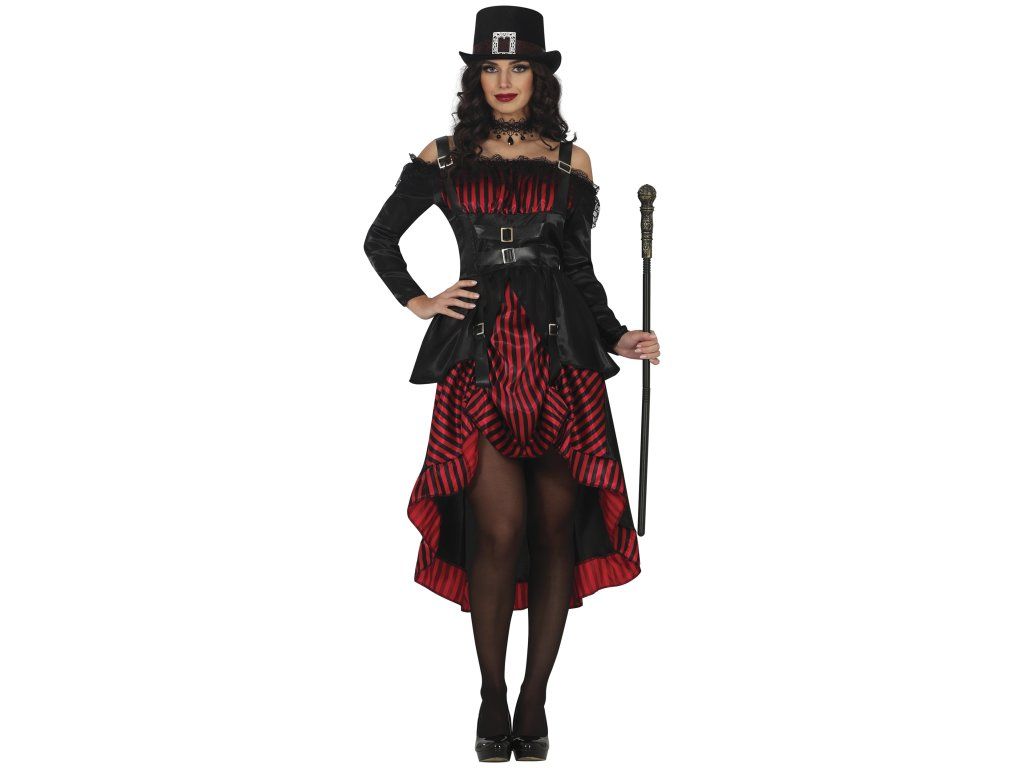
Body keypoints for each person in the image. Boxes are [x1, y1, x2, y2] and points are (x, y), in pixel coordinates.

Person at [363, 6, 661, 761]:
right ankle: (492, 693)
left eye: (518, 66)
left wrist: (617, 336)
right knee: (498, 530)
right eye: (492, 67)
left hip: (561, 362)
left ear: (539, 76)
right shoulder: (442, 157)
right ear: (475, 76)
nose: (504, 80)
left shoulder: (569, 162)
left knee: (554, 532)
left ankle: (534, 700)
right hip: (481, 358)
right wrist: (420, 301)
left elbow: (578, 270)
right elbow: (380, 238)